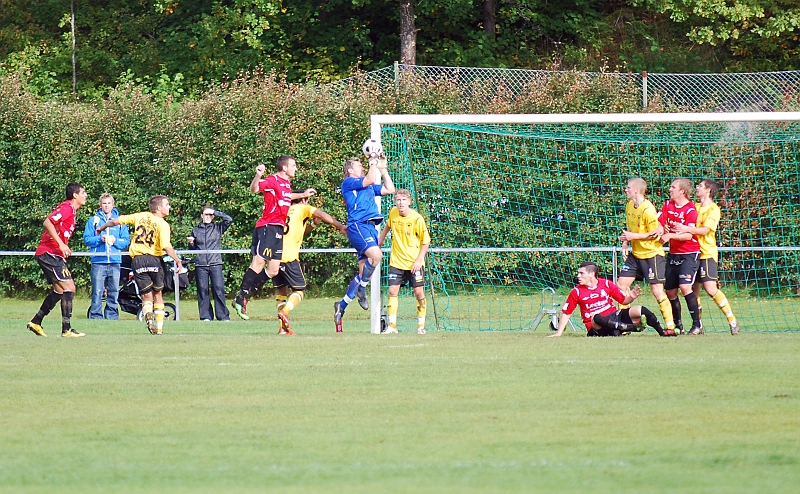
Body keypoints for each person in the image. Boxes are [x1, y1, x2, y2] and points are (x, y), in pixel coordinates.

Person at [231, 156, 316, 320]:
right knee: (259, 262)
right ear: (284, 168)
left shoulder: (286, 184)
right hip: (267, 226)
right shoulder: (272, 179)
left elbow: (285, 196)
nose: (295, 168)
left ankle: (243, 297)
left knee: (273, 270)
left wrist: (302, 195)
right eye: (293, 165)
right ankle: (242, 297)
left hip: (278, 228)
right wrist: (258, 176)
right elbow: (254, 189)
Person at [97, 195, 182, 335]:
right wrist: (177, 260)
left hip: (137, 260)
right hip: (154, 259)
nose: (169, 207)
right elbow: (166, 246)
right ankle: (159, 328)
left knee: (146, 296)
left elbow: (118, 220)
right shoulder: (163, 224)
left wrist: (102, 227)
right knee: (158, 294)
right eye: (167, 204)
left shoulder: (140, 216)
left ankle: (148, 316)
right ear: (159, 208)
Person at [333, 151, 396, 332]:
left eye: (362, 164)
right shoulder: (349, 182)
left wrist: (383, 170)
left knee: (363, 272)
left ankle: (341, 305)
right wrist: (372, 161)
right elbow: (368, 179)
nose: (361, 166)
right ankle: (362, 288)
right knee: (376, 255)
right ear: (350, 170)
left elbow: (389, 189)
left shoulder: (366, 185)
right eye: (358, 164)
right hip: (358, 226)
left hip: (369, 228)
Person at [270, 193, 347, 335]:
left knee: (281, 292)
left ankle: (282, 328)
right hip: (288, 257)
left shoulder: (284, 210)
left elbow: (298, 231)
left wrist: (313, 225)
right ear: (303, 200)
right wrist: (340, 226)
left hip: (274, 256)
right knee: (300, 290)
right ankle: (285, 313)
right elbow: (322, 214)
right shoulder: (302, 208)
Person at [673, 179, 741, 335]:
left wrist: (685, 229)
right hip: (692, 254)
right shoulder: (694, 207)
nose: (697, 188)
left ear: (708, 190)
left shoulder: (713, 209)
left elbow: (704, 230)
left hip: (707, 254)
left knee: (711, 289)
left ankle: (732, 320)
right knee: (692, 291)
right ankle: (699, 325)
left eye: (700, 186)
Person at [27, 182, 89, 338]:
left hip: (53, 254)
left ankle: (36, 321)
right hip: (49, 253)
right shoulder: (67, 207)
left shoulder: (72, 211)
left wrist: (64, 247)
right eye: (83, 192)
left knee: (60, 290)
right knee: (70, 287)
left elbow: (59, 230)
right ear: (75, 195)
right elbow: (48, 222)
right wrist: (61, 244)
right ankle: (66, 329)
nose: (85, 195)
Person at [548, 261, 673, 337]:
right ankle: (630, 328)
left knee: (640, 309)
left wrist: (631, 297)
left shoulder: (606, 284)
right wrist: (558, 333)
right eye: (578, 273)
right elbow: (566, 312)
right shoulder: (576, 291)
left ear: (592, 274)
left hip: (614, 317)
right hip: (596, 327)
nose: (578, 276)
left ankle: (662, 332)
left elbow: (623, 301)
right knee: (596, 317)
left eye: (581, 273)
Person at [617, 177, 676, 333]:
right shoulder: (630, 205)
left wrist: (632, 237)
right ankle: (626, 326)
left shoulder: (648, 209)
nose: (626, 190)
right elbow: (630, 229)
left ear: (636, 190)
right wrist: (625, 243)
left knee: (657, 291)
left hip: (652, 255)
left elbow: (655, 234)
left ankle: (670, 326)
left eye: (628, 187)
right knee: (621, 286)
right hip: (636, 255)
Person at [377, 189, 431, 334]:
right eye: (398, 200)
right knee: (392, 291)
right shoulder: (393, 213)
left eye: (403, 200)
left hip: (414, 263)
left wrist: (419, 261)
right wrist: (379, 244)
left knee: (419, 293)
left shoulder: (417, 219)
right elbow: (387, 227)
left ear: (409, 202)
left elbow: (426, 242)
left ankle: (421, 326)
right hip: (397, 261)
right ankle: (392, 326)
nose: (401, 203)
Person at [659, 178, 703, 335]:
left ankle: (697, 325)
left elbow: (687, 236)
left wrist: (669, 235)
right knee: (670, 291)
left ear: (682, 191)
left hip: (689, 254)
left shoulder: (690, 210)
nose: (670, 189)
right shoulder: (667, 205)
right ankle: (678, 325)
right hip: (673, 254)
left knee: (685, 287)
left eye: (673, 187)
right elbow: (660, 222)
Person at [83, 193, 131, 320]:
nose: (106, 206)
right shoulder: (93, 221)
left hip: (115, 261)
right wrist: (100, 239)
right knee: (97, 291)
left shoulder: (120, 221)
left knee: (114, 291)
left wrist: (115, 241)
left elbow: (126, 241)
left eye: (109, 203)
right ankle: (95, 316)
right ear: (100, 205)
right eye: (104, 203)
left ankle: (112, 316)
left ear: (113, 204)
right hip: (98, 261)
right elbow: (87, 239)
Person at [188, 206, 233, 321]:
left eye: (210, 215)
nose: (208, 217)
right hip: (201, 264)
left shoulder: (218, 228)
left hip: (215, 263)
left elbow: (229, 219)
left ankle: (223, 316)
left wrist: (215, 212)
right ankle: (206, 316)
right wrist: (191, 243)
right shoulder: (196, 230)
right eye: (206, 214)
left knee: (218, 289)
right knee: (203, 290)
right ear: (201, 215)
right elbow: (192, 250)